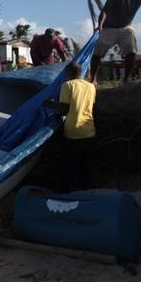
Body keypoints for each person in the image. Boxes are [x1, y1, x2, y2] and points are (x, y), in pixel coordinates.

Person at [45, 61, 96, 192]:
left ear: (68, 73)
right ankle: (88, 193)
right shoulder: (91, 86)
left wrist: (50, 104)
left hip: (73, 133)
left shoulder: (67, 85)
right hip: (90, 131)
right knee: (87, 168)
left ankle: (69, 194)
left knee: (69, 168)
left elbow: (63, 110)